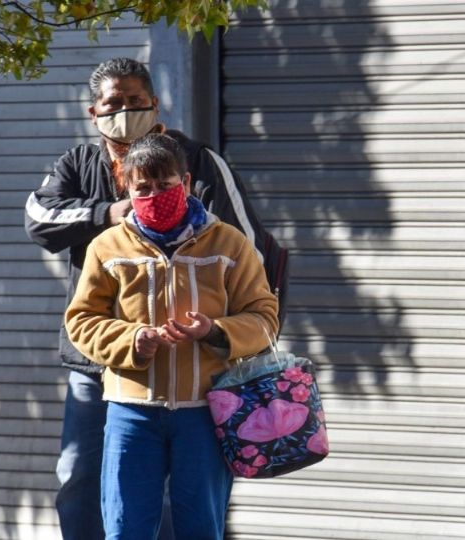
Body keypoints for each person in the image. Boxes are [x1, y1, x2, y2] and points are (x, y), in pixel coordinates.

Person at [24, 57, 287, 539]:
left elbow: (255, 266)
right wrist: (108, 213)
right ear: (94, 112)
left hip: (201, 387)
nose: (124, 110)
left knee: (192, 501)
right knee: (87, 481)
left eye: (134, 101)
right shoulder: (80, 167)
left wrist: (226, 337)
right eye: (113, 103)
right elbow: (40, 219)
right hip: (105, 373)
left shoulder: (200, 162)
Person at [65, 133, 278, 539]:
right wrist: (131, 341)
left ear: (186, 180)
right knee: (126, 527)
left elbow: (265, 316)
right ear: (126, 186)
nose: (154, 195)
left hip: (206, 410)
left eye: (165, 185)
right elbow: (82, 320)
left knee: (202, 526)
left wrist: (216, 330)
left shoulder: (229, 243)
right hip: (131, 411)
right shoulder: (107, 247)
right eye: (143, 187)